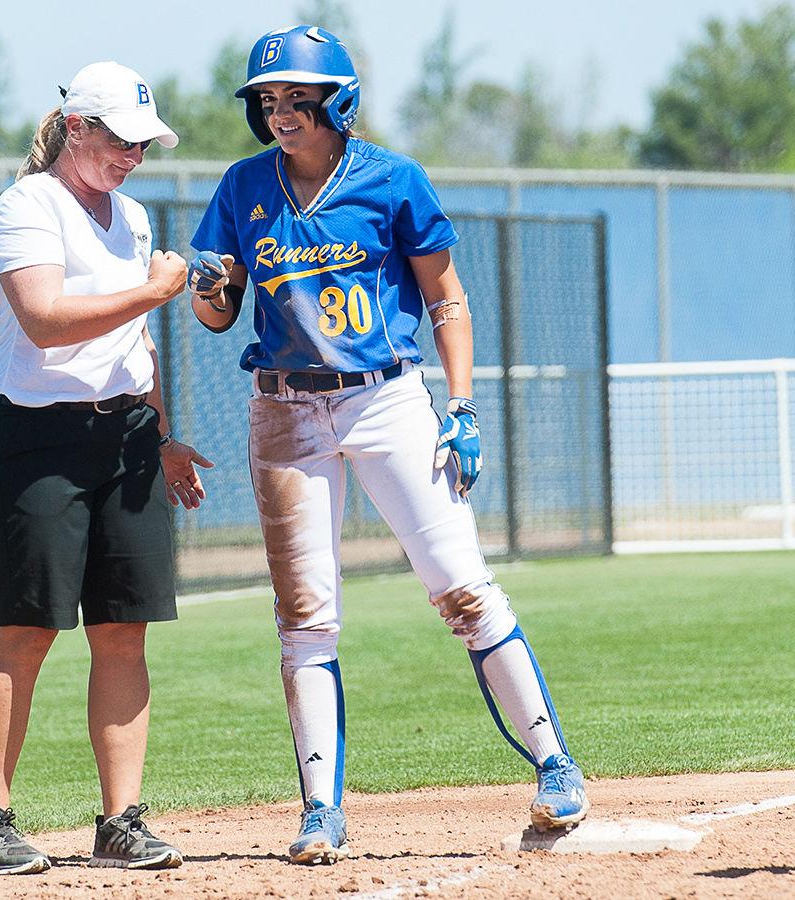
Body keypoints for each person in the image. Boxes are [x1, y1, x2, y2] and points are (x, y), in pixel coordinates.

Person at [187, 26, 589, 865]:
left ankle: (554, 764)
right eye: (268, 100)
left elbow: (446, 298)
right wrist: (211, 289)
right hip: (284, 413)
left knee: (463, 589)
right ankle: (321, 812)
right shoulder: (242, 186)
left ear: (339, 100)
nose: (281, 112)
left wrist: (464, 405)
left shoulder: (393, 180)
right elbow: (218, 312)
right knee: (305, 621)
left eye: (298, 97)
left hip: (387, 402)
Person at [0, 60, 212, 876]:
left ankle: (120, 821)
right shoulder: (27, 206)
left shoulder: (132, 218)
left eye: (144, 143)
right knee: (28, 630)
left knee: (123, 630)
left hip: (127, 439)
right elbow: (44, 322)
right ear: (77, 129)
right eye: (120, 139)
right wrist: (154, 292)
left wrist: (165, 436)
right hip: (38, 440)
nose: (133, 155)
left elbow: (135, 348)